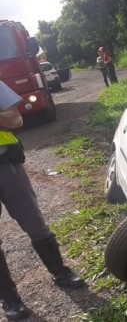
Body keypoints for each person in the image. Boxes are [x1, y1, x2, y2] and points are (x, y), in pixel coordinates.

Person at [0, 81, 85, 321]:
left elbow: (16, 120)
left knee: (35, 223)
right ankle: (10, 300)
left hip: (7, 166)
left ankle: (60, 273)